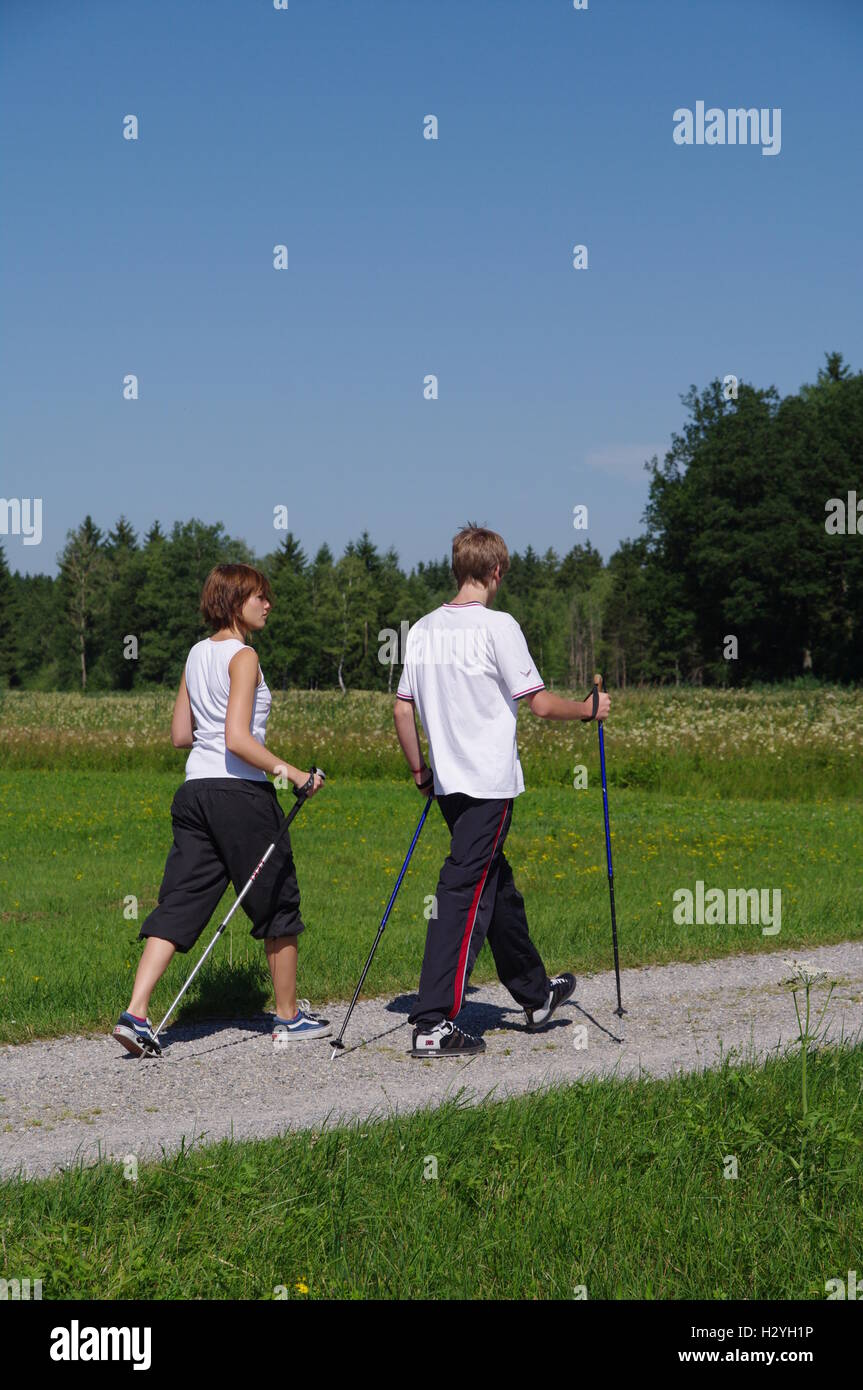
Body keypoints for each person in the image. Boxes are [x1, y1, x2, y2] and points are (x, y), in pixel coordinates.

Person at [393, 524, 611, 1057]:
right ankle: (432, 1022)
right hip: (488, 786)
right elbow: (536, 702)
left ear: (457, 568)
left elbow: (403, 709)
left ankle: (535, 997)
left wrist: (421, 772)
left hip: (448, 786)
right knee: (461, 893)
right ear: (495, 572)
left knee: (497, 886)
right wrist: (588, 710)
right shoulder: (499, 626)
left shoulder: (421, 629)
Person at [113, 562, 328, 1056]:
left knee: (180, 901)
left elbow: (180, 736)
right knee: (276, 898)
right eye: (259, 597)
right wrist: (293, 774)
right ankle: (288, 1018)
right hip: (240, 795)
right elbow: (237, 739)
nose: (268, 604)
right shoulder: (244, 655)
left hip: (194, 793)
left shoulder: (194, 655)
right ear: (234, 602)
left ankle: (137, 1013)